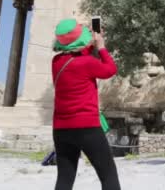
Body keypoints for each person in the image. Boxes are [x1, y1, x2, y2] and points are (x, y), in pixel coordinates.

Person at [51, 18, 121, 190]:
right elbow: (110, 69)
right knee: (108, 176)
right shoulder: (88, 63)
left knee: (65, 179)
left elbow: (76, 56)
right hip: (87, 128)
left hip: (61, 129)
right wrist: (101, 47)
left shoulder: (56, 62)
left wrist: (90, 44)